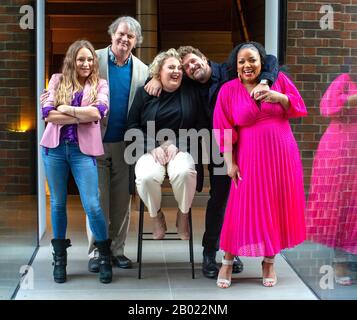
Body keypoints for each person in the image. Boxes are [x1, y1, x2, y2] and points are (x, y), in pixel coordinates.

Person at [145, 45, 279, 278]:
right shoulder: (188, 83)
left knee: (235, 199)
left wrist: (266, 81)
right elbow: (168, 74)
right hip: (206, 143)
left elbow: (272, 61)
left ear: (204, 57)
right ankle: (210, 253)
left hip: (239, 141)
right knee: (219, 198)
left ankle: (232, 250)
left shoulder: (229, 69)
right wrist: (154, 78)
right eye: (186, 66)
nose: (190, 67)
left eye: (193, 61)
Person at [213, 42, 307, 288]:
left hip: (282, 156)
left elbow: (298, 106)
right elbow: (222, 130)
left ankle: (269, 261)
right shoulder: (228, 91)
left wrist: (280, 97)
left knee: (275, 206)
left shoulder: (278, 81)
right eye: (241, 61)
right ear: (235, 66)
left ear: (261, 63)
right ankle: (228, 260)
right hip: (249, 157)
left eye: (252, 60)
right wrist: (229, 162)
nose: (247, 65)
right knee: (240, 207)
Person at [40, 40, 112, 284]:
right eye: (81, 59)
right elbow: (47, 114)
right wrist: (78, 115)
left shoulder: (100, 84)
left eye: (90, 59)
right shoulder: (57, 80)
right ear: (72, 60)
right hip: (54, 150)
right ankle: (59, 260)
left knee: (92, 205)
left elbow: (97, 113)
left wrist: (64, 108)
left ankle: (104, 257)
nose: (87, 64)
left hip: (84, 152)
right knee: (58, 204)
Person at [86, 16, 149, 272]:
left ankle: (117, 251)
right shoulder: (93, 59)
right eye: (120, 34)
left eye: (130, 37)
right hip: (95, 140)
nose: (124, 39)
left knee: (122, 202)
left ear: (136, 42)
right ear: (112, 34)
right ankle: (95, 252)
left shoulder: (143, 70)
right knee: (97, 200)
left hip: (125, 145)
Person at [127, 48, 206, 240]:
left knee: (185, 172)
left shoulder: (191, 92)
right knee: (145, 177)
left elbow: (200, 126)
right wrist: (152, 146)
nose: (177, 71)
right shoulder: (145, 93)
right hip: (149, 149)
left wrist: (177, 144)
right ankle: (156, 216)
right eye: (171, 67)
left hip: (182, 147)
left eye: (179, 67)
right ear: (158, 72)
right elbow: (131, 126)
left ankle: (183, 213)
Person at [305, 72, 357, 286]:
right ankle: (339, 261)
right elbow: (327, 106)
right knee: (341, 204)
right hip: (341, 147)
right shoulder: (345, 79)